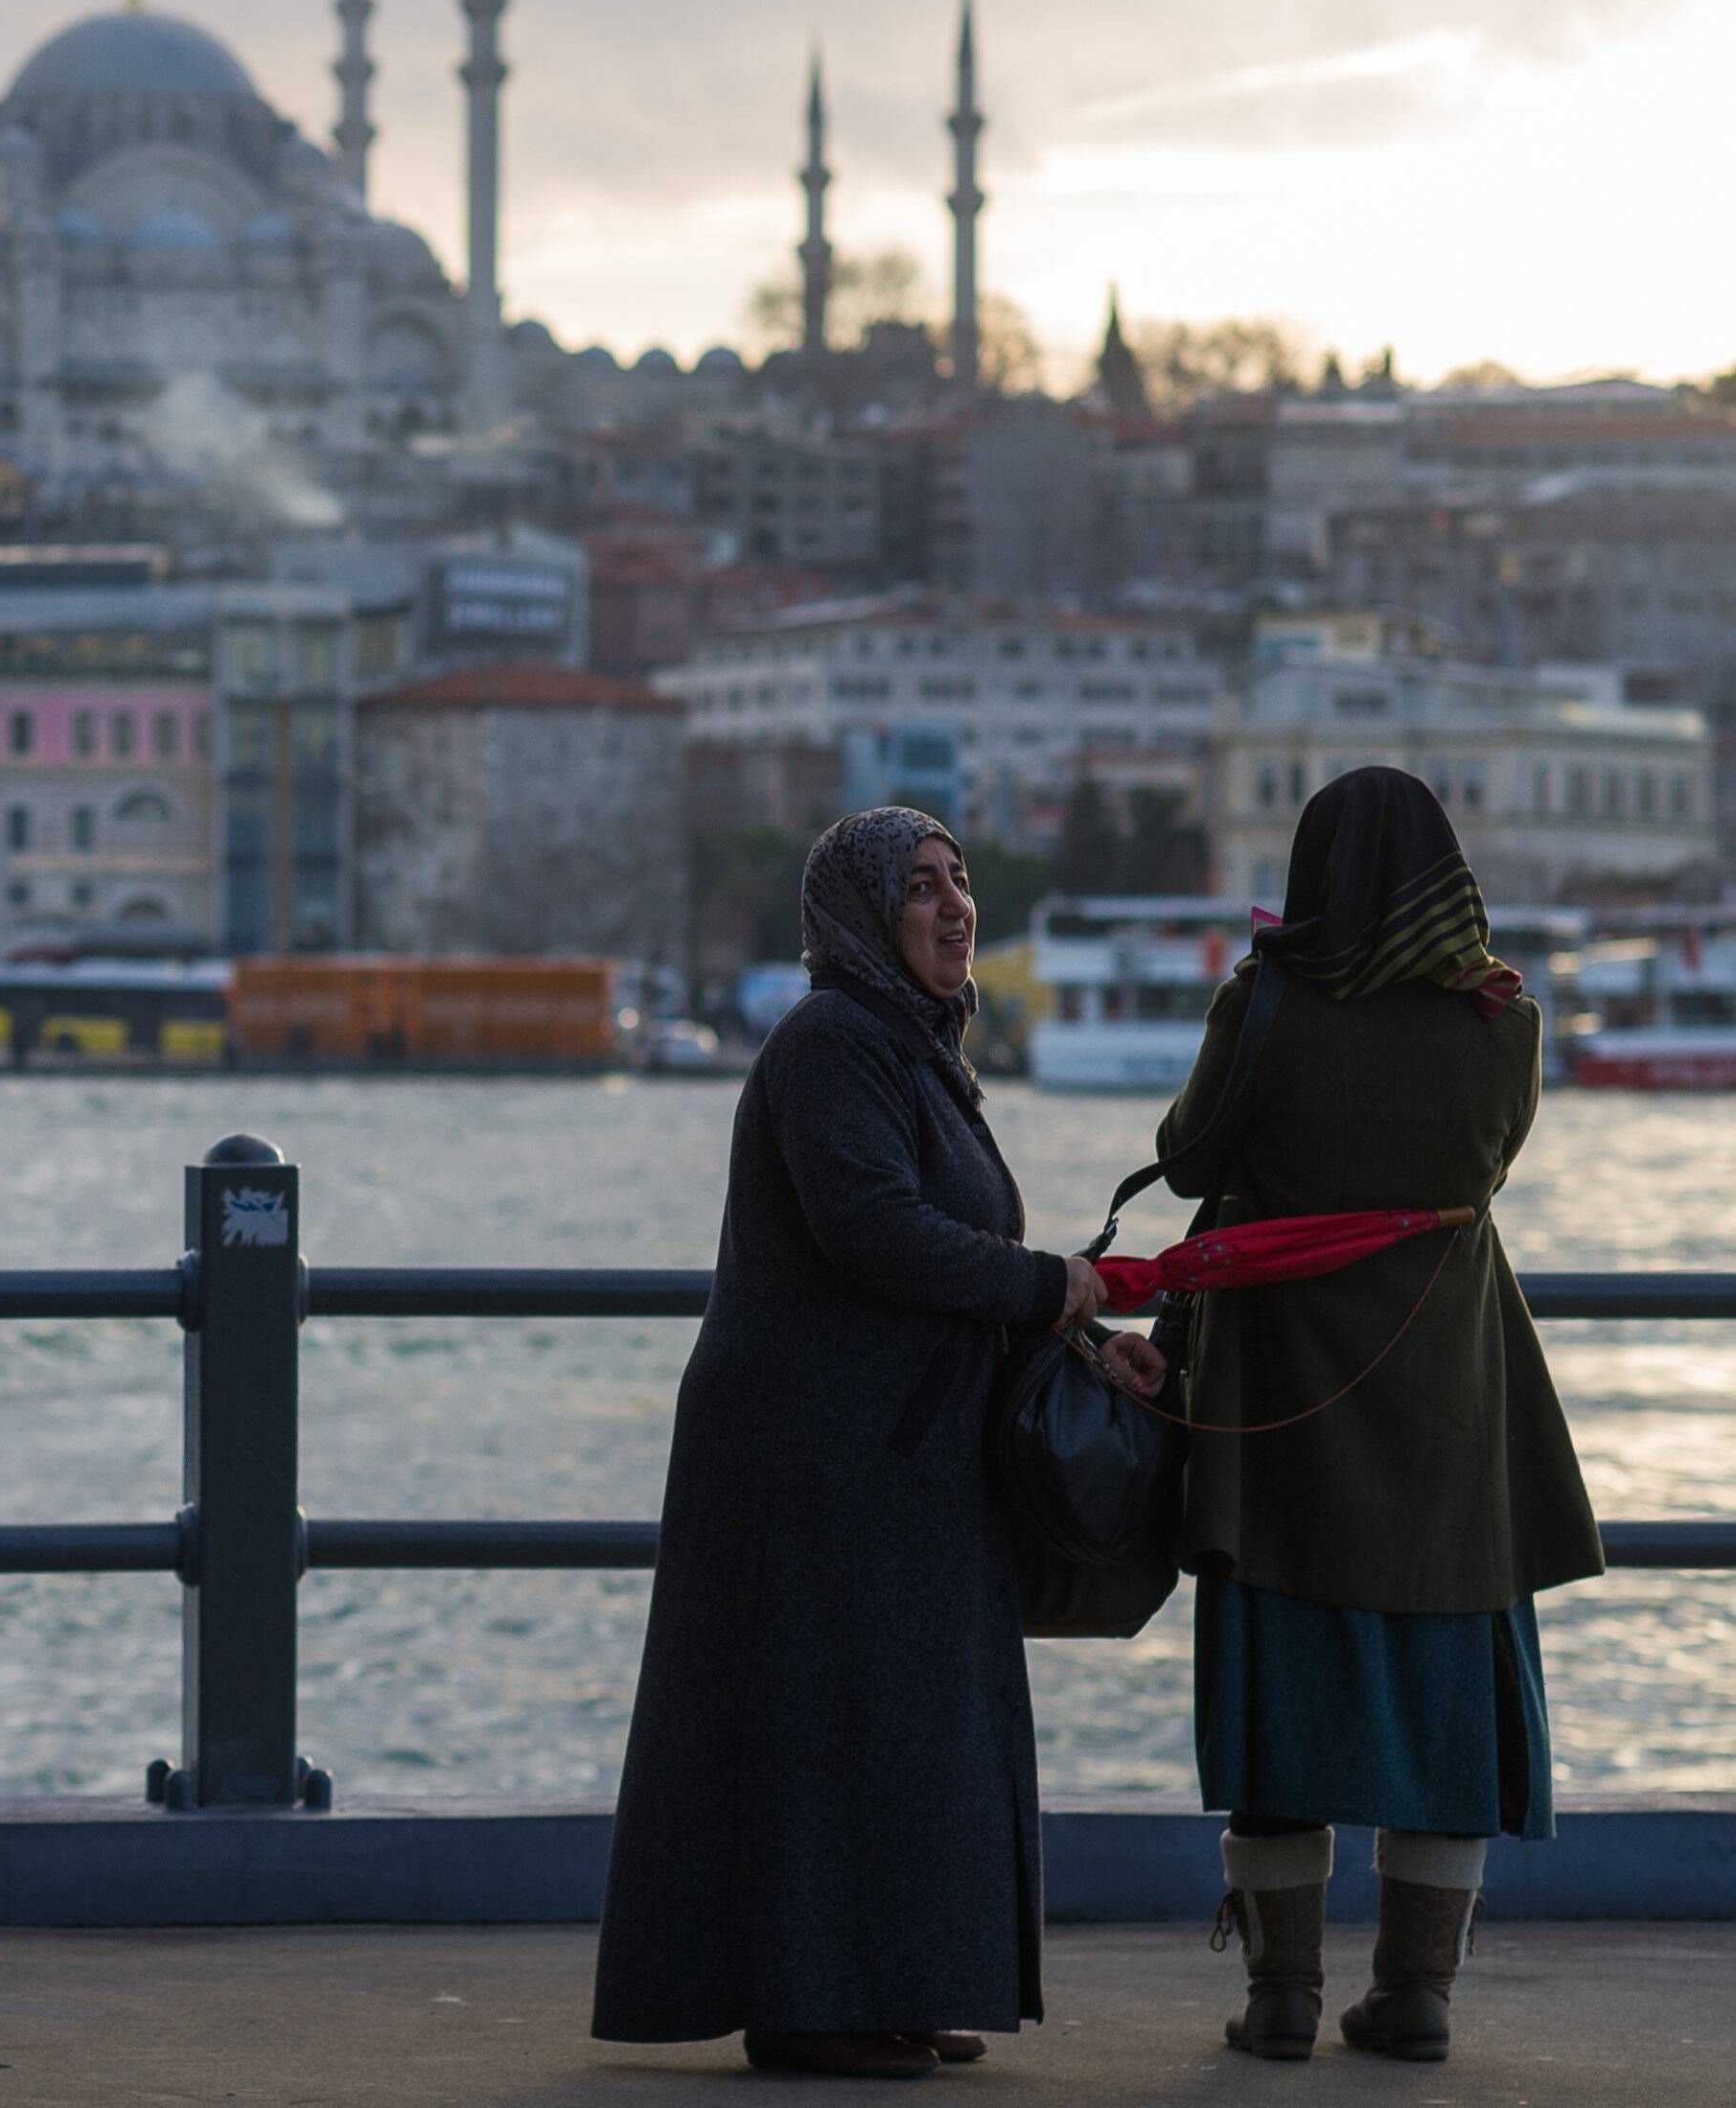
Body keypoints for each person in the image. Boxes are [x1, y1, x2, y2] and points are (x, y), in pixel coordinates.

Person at [593, 808, 1139, 2081]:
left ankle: (894, 1980)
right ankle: (808, 2001)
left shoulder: (909, 1048)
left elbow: (943, 1247)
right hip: (811, 1455)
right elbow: (872, 1229)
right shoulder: (832, 1043)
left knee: (906, 1725)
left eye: (959, 881)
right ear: (860, 915)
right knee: (822, 1724)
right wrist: (1041, 1283)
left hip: (892, 1447)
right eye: (919, 888)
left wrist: (1084, 1333)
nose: (954, 906)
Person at [1166, 768, 1601, 2066]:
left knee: (1280, 1689)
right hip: (1449, 1401)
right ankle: (1415, 1992)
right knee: (1447, 1696)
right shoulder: (1500, 1021)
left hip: (1278, 1406)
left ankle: (1281, 1994)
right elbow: (1486, 1167)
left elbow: (1188, 1159)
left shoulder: (1265, 1004)